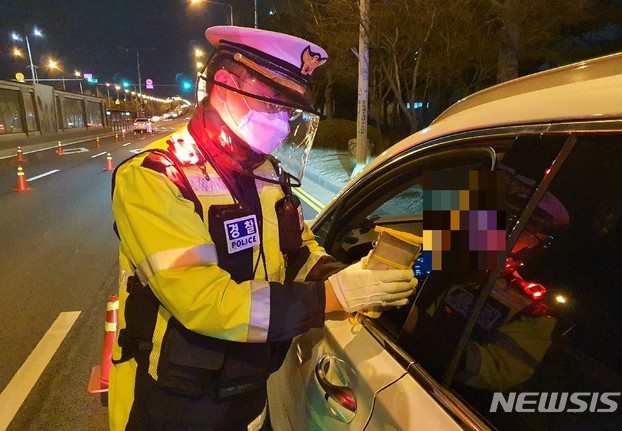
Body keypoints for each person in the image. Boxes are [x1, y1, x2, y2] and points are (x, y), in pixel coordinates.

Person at [108, 26, 417, 431]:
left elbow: (297, 252)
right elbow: (205, 302)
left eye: (289, 110)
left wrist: (350, 277)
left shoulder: (263, 171)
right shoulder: (156, 177)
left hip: (248, 390)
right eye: (272, 104)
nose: (283, 125)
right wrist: (331, 296)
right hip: (173, 403)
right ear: (223, 84)